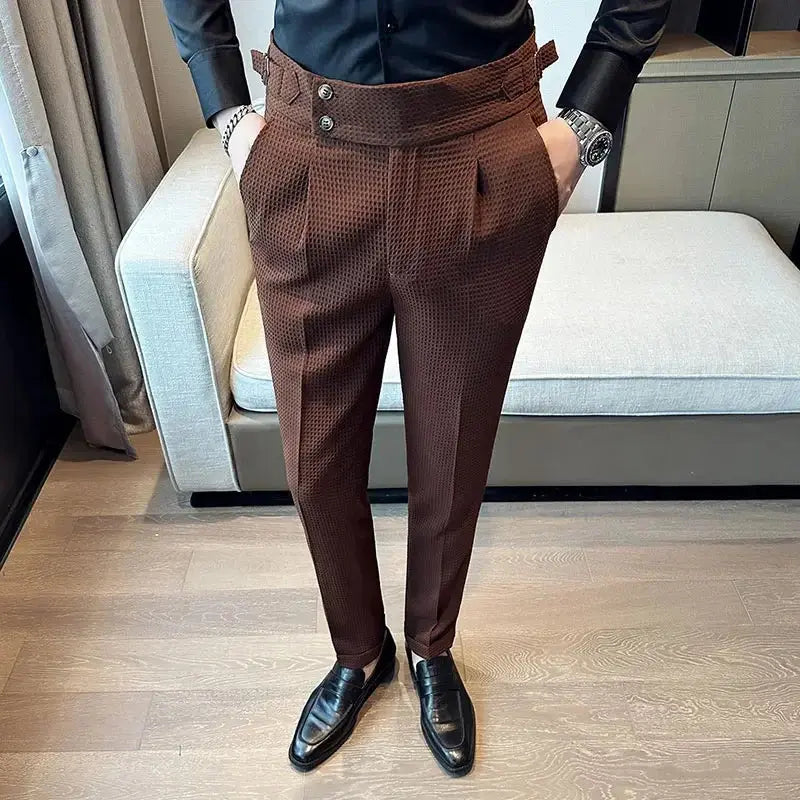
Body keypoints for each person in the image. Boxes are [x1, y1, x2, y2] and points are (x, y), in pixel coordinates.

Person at [162, 0, 672, 777]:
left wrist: (587, 121)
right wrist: (229, 113)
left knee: (453, 448)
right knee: (314, 462)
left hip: (480, 145)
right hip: (309, 146)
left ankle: (432, 646)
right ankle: (359, 652)